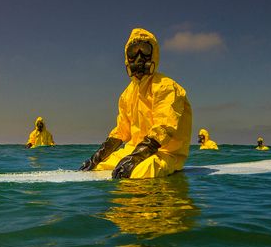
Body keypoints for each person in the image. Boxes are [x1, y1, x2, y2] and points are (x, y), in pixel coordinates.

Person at [80, 28, 192, 179]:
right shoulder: (127, 94)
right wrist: (97, 157)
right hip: (134, 150)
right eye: (134, 52)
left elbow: (164, 127)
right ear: (127, 57)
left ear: (153, 55)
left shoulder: (165, 87)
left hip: (165, 153)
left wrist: (136, 158)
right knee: (98, 169)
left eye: (145, 50)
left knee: (137, 173)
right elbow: (122, 130)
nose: (139, 58)